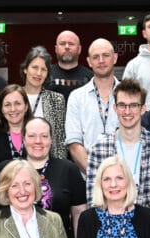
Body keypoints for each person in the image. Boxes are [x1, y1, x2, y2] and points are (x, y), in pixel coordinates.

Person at [86, 79, 150, 220]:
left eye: (133, 105)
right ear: (115, 108)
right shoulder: (98, 149)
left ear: (143, 109)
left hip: (146, 229)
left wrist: (141, 225)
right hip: (108, 229)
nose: (127, 111)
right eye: (122, 105)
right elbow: (93, 196)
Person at [21, 117, 85, 238]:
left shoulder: (68, 169)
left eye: (44, 136)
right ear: (24, 139)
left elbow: (79, 213)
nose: (38, 141)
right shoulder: (9, 169)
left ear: (51, 140)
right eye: (32, 136)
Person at [65, 38, 120, 176]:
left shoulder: (129, 95)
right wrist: (97, 177)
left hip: (124, 177)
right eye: (95, 57)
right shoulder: (76, 97)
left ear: (115, 58)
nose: (101, 60)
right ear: (89, 61)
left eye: (106, 55)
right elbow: (74, 143)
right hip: (89, 180)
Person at [20, 46, 67, 158]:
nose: (39, 73)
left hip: (48, 162)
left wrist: (59, 168)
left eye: (43, 69)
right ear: (25, 69)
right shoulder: (13, 97)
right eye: (35, 67)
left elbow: (60, 141)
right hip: (18, 162)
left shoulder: (56, 100)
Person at [0, 85, 33, 165]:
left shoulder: (37, 132)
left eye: (17, 103)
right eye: (7, 105)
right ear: (1, 109)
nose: (13, 109)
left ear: (26, 107)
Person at [47, 30, 92, 101]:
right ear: (56, 49)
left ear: (79, 49)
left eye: (71, 44)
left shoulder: (91, 77)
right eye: (62, 44)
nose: (67, 47)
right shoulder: (45, 74)